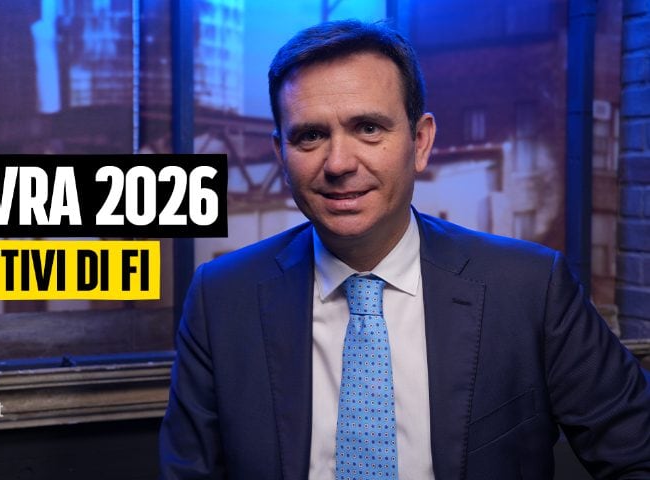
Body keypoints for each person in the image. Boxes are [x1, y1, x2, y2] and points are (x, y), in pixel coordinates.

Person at [159, 20, 650, 479]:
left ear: (420, 142)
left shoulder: (530, 289)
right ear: (280, 155)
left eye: (368, 128)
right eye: (310, 136)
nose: (339, 163)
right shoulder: (221, 300)